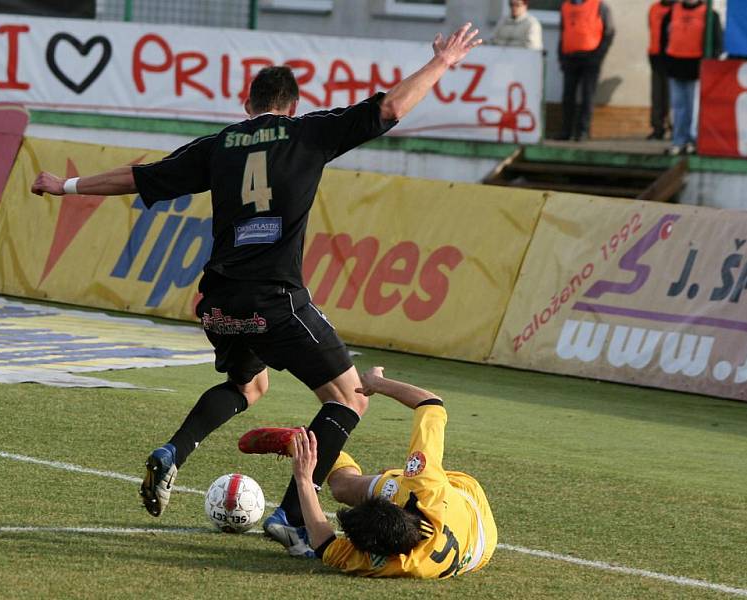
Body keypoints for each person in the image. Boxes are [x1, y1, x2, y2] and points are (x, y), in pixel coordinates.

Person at [30, 23, 483, 558]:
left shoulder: (219, 145)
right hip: (276, 297)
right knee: (349, 396)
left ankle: (174, 451)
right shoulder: (309, 132)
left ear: (247, 104)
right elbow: (390, 108)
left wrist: (68, 186)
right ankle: (292, 517)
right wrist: (441, 63)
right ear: (292, 106)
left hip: (219, 301)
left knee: (249, 386)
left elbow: (142, 176)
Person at [278, 366, 497, 577]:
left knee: (341, 487)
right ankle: (307, 446)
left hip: (479, 541)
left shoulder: (397, 566)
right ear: (392, 503)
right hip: (465, 496)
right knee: (351, 488)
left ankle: (301, 443)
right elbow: (431, 404)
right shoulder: (423, 483)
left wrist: (304, 478)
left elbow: (324, 544)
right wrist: (378, 384)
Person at [663, 0, 722, 155]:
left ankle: (693, 140)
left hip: (697, 68)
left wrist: (710, 65)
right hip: (675, 65)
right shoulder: (672, 11)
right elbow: (664, 38)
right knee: (678, 107)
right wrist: (665, 61)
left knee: (694, 107)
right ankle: (678, 140)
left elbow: (717, 42)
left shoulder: (709, 14)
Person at [556, 0, 615, 141]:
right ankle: (566, 131)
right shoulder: (565, 6)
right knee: (567, 96)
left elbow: (609, 32)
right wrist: (561, 56)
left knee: (587, 96)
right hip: (570, 58)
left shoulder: (600, 6)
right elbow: (563, 31)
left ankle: (583, 131)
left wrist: (598, 55)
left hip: (590, 59)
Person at [648, 0, 676, 140]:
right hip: (656, 57)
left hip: (673, 58)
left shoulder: (677, 9)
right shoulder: (653, 8)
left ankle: (674, 128)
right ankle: (657, 128)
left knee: (672, 96)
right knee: (657, 95)